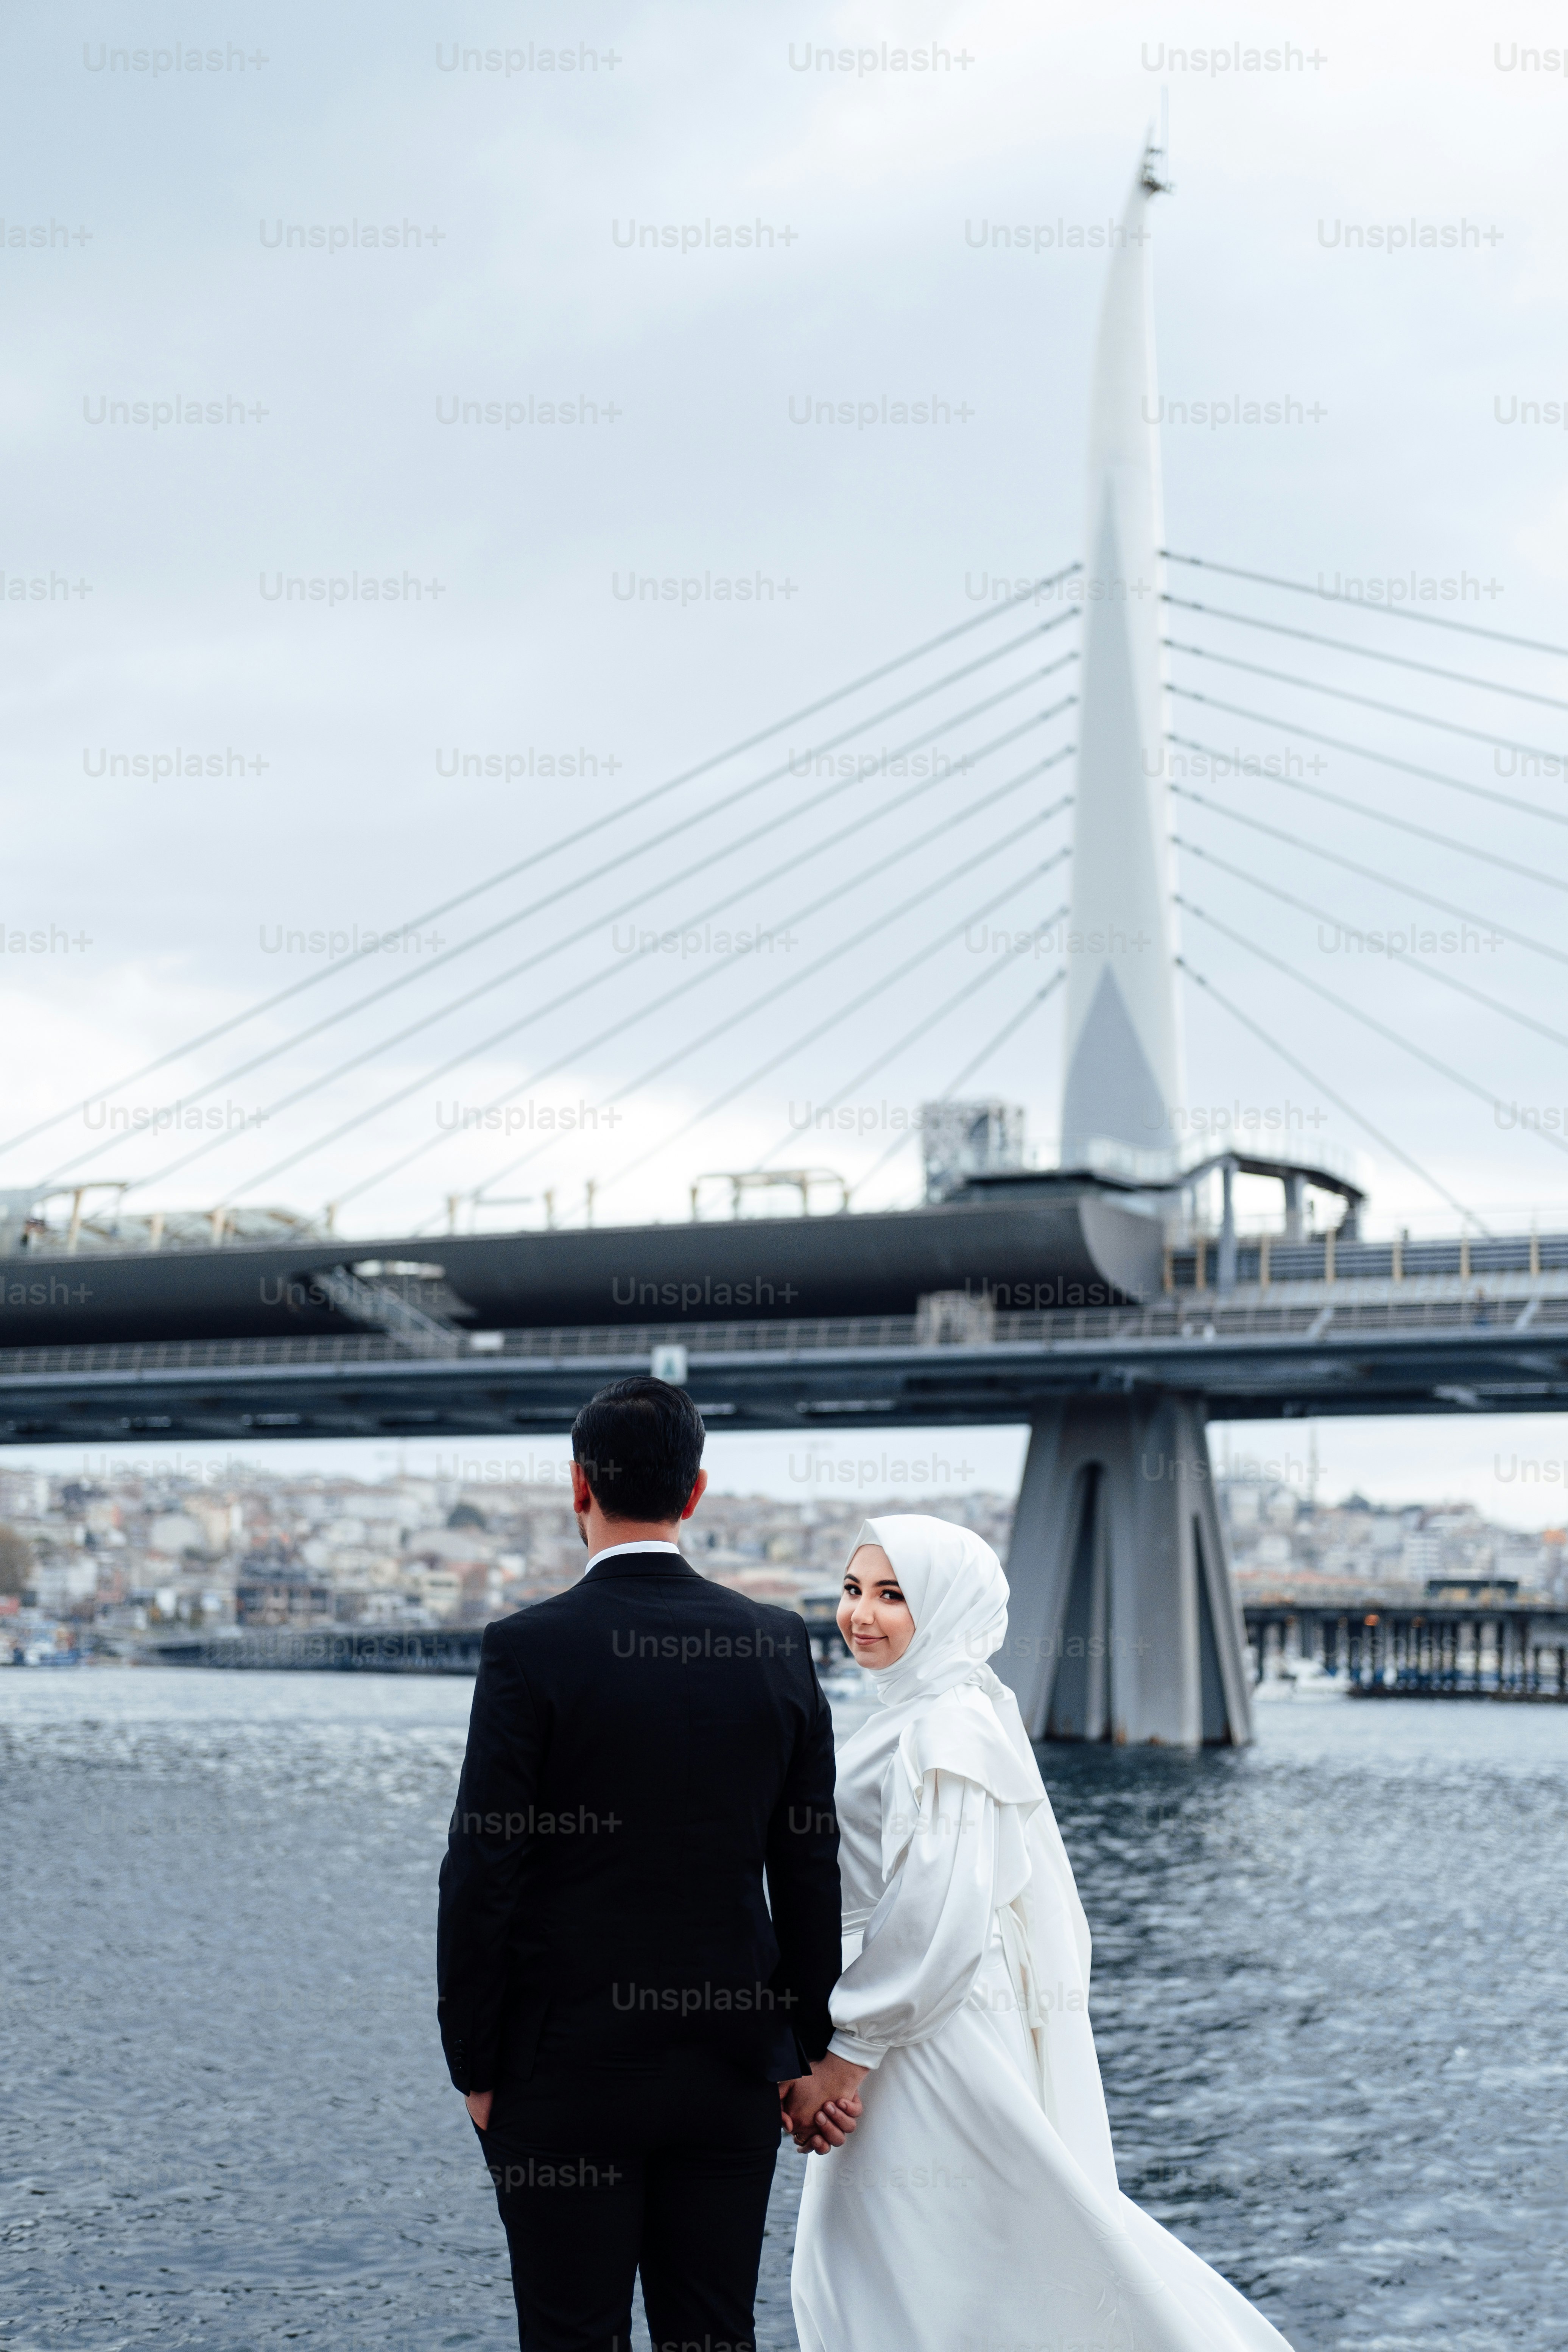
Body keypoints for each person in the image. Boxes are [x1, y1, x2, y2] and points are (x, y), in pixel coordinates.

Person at [788, 1513, 1296, 2352]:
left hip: (918, 2035)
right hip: (908, 2025)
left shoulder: (944, 1725)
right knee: (944, 2242)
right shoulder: (925, 1708)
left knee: (909, 2252)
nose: (860, 1615)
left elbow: (939, 1914)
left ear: (947, 1608)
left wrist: (845, 2056)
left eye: (892, 1595)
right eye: (852, 1590)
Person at [437, 1376, 845, 2352]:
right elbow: (807, 1864)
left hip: (560, 2067)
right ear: (694, 1492)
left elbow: (480, 1872)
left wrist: (475, 2064)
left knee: (571, 2334)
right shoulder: (777, 1642)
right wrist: (810, 2049)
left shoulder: (526, 1649)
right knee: (710, 2333)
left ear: (576, 1485)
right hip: (731, 2065)